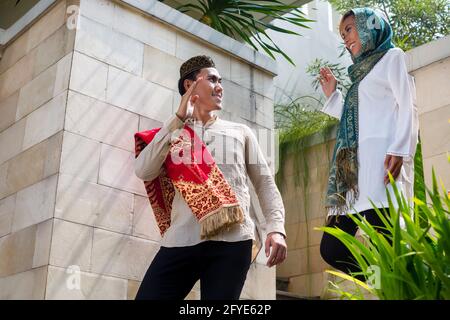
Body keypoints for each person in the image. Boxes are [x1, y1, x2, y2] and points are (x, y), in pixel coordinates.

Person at [133, 55, 287, 300]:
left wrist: (276, 229)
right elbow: (144, 170)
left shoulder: (240, 132)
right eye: (213, 79)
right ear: (189, 85)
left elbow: (265, 183)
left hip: (233, 242)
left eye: (221, 80)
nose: (220, 86)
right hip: (181, 240)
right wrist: (178, 120)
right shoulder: (173, 132)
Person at [318, 8, 418, 279]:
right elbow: (357, 120)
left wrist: (400, 149)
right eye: (342, 34)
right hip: (354, 178)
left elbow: (407, 105)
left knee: (386, 242)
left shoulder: (391, 58)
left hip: (381, 167)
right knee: (331, 247)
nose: (345, 38)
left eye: (349, 29)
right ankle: (381, 282)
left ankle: (399, 289)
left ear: (368, 26)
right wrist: (333, 95)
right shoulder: (359, 78)